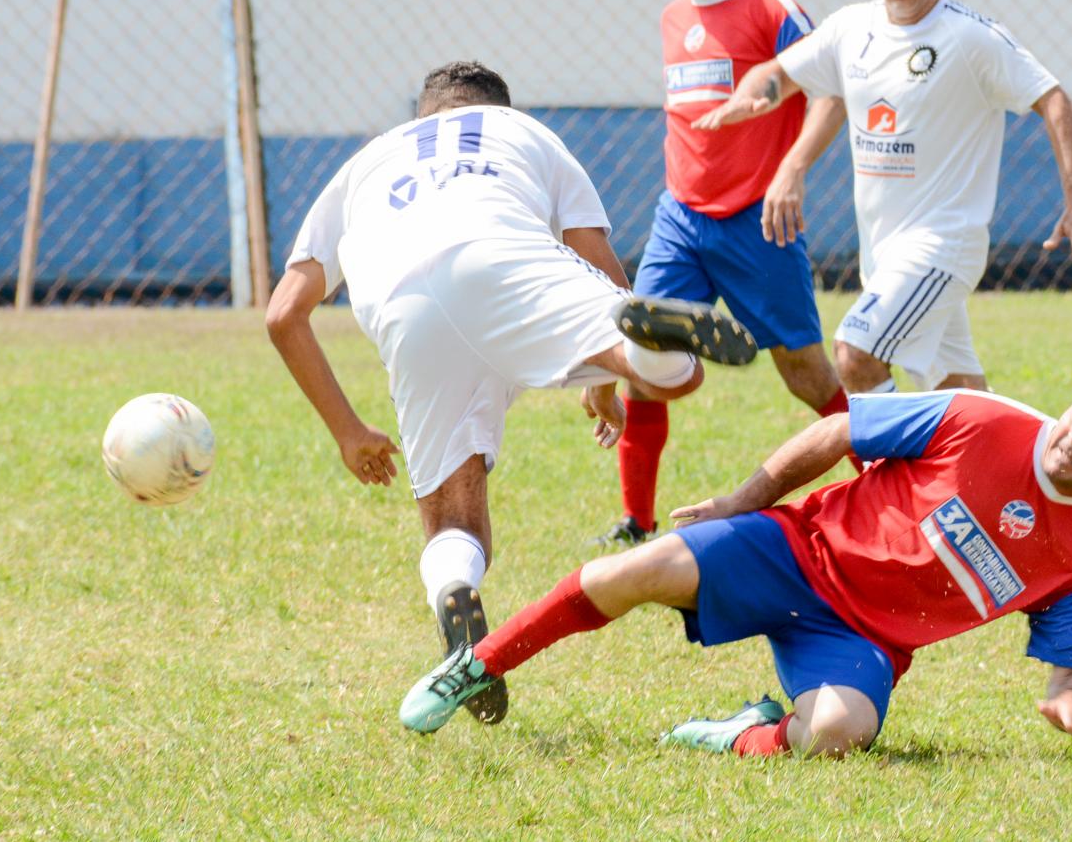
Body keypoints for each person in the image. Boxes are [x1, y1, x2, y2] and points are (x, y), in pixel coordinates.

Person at [265, 60, 757, 728]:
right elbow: (598, 263)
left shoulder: (367, 163)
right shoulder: (524, 133)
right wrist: (609, 372)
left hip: (403, 302)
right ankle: (648, 342)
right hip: (496, 253)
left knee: (453, 519)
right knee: (676, 370)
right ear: (497, 107)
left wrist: (349, 430)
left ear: (422, 115)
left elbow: (283, 313)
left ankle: (456, 590)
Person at [399, 373, 1072, 757]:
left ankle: (743, 731)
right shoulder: (978, 418)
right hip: (794, 552)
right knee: (626, 574)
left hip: (863, 640)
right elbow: (838, 431)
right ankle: (477, 663)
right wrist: (743, 500)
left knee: (835, 734)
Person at [696, 0, 1072, 397]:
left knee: (855, 354)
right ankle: (1034, 471)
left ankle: (894, 473)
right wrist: (752, 96)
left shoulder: (971, 39)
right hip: (882, 254)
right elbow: (778, 73)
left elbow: (1054, 99)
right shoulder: (851, 28)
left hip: (942, 245)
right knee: (960, 395)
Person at [592, 0, 856, 549]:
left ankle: (887, 476)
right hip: (680, 217)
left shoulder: (772, 8)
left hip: (757, 220)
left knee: (806, 373)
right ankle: (635, 521)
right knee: (644, 355)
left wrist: (791, 169)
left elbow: (829, 91)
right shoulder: (670, 17)